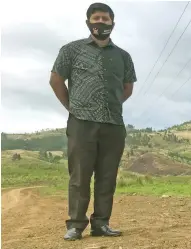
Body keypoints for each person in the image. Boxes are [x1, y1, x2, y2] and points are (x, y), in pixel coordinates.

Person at [49, 2, 137, 240]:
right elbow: (56, 80)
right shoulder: (71, 50)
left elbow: (128, 87)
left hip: (113, 124)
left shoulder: (123, 56)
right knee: (79, 175)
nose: (100, 22)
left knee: (107, 176)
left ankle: (101, 223)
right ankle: (76, 225)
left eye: (105, 19)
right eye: (96, 18)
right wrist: (73, 106)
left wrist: (113, 104)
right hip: (81, 123)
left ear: (112, 23)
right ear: (88, 22)